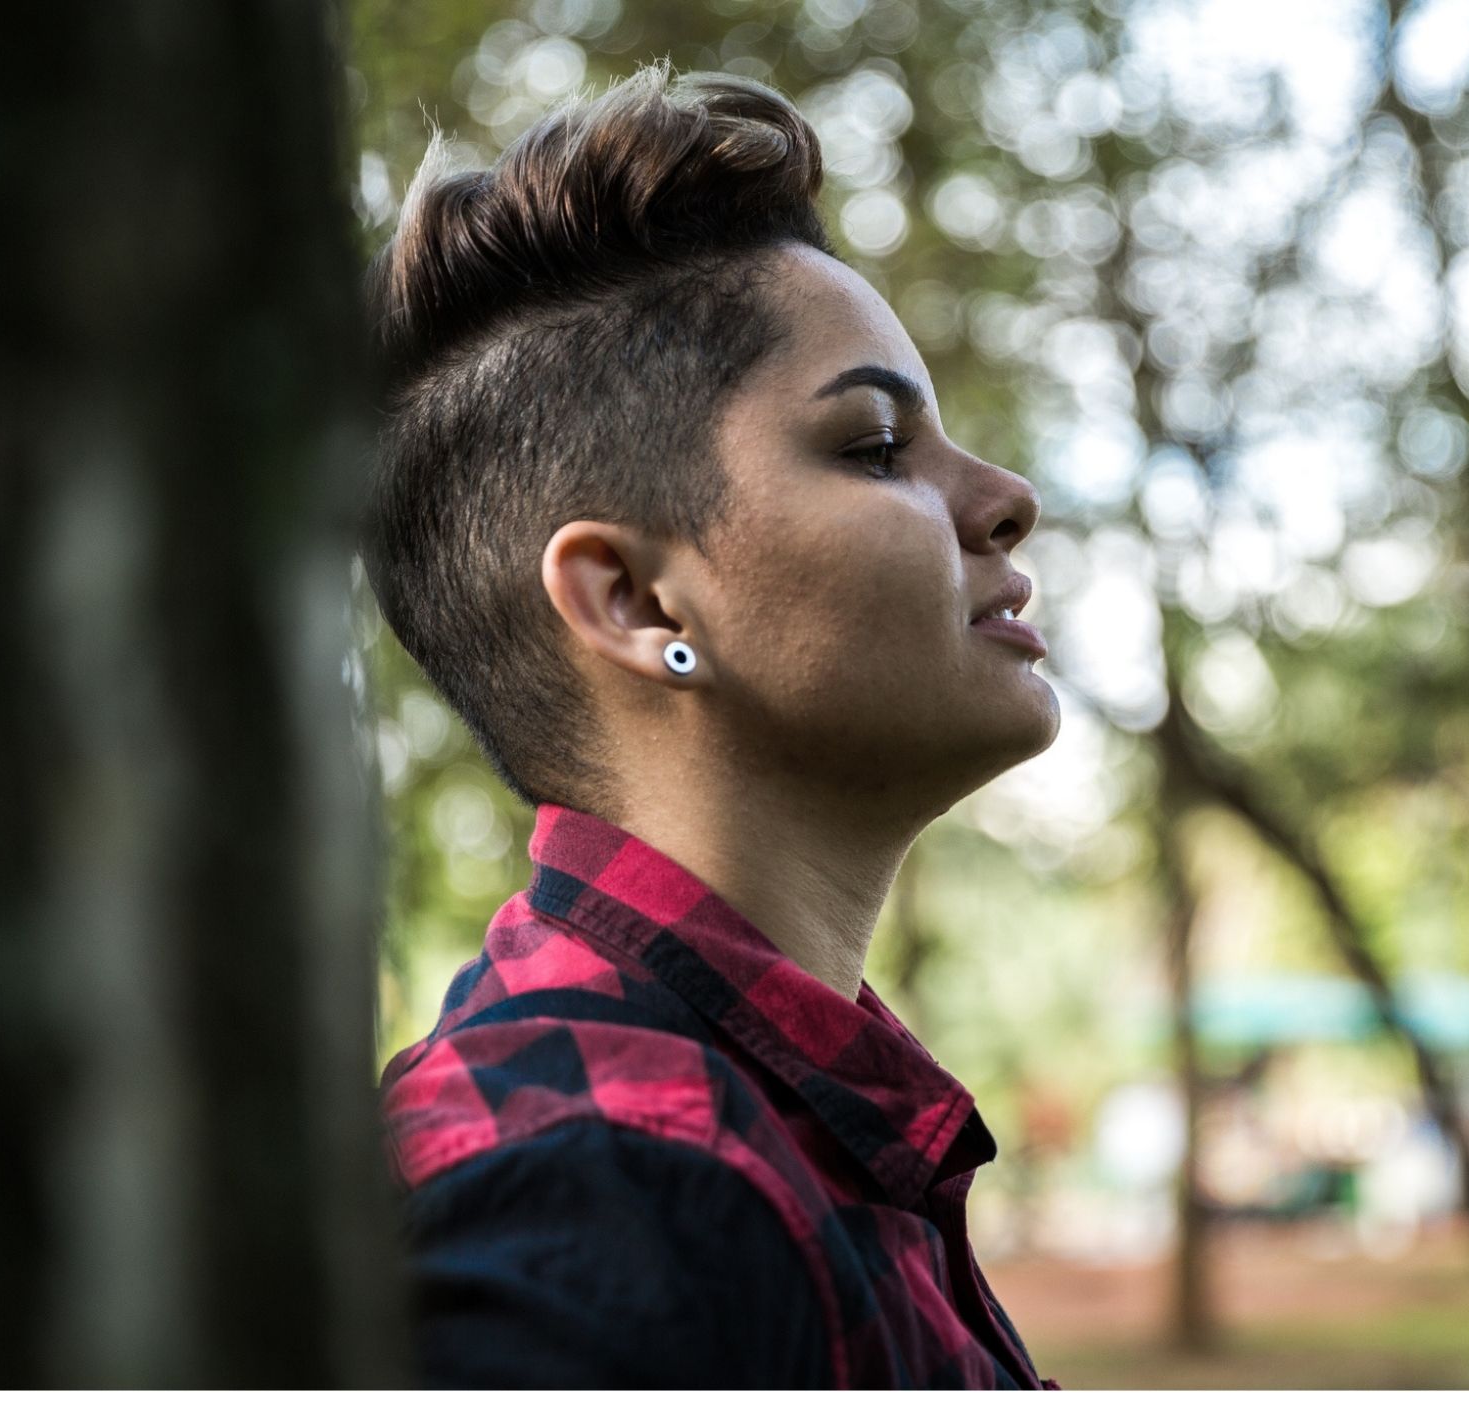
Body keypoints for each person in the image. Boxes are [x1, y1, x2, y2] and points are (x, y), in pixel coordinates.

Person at [363, 58, 1063, 1389]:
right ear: (630, 599)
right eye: (870, 446)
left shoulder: (756, 1123)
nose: (1004, 494)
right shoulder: (597, 1183)